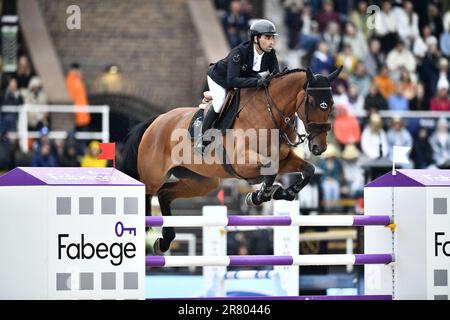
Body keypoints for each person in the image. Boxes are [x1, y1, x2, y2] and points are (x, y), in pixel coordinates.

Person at [195, 19, 280, 154]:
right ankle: (202, 139)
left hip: (245, 75)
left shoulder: (271, 54)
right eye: (267, 37)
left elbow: (276, 75)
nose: (272, 42)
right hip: (220, 78)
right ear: (256, 38)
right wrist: (257, 82)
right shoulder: (239, 52)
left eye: (272, 38)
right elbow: (233, 81)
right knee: (219, 103)